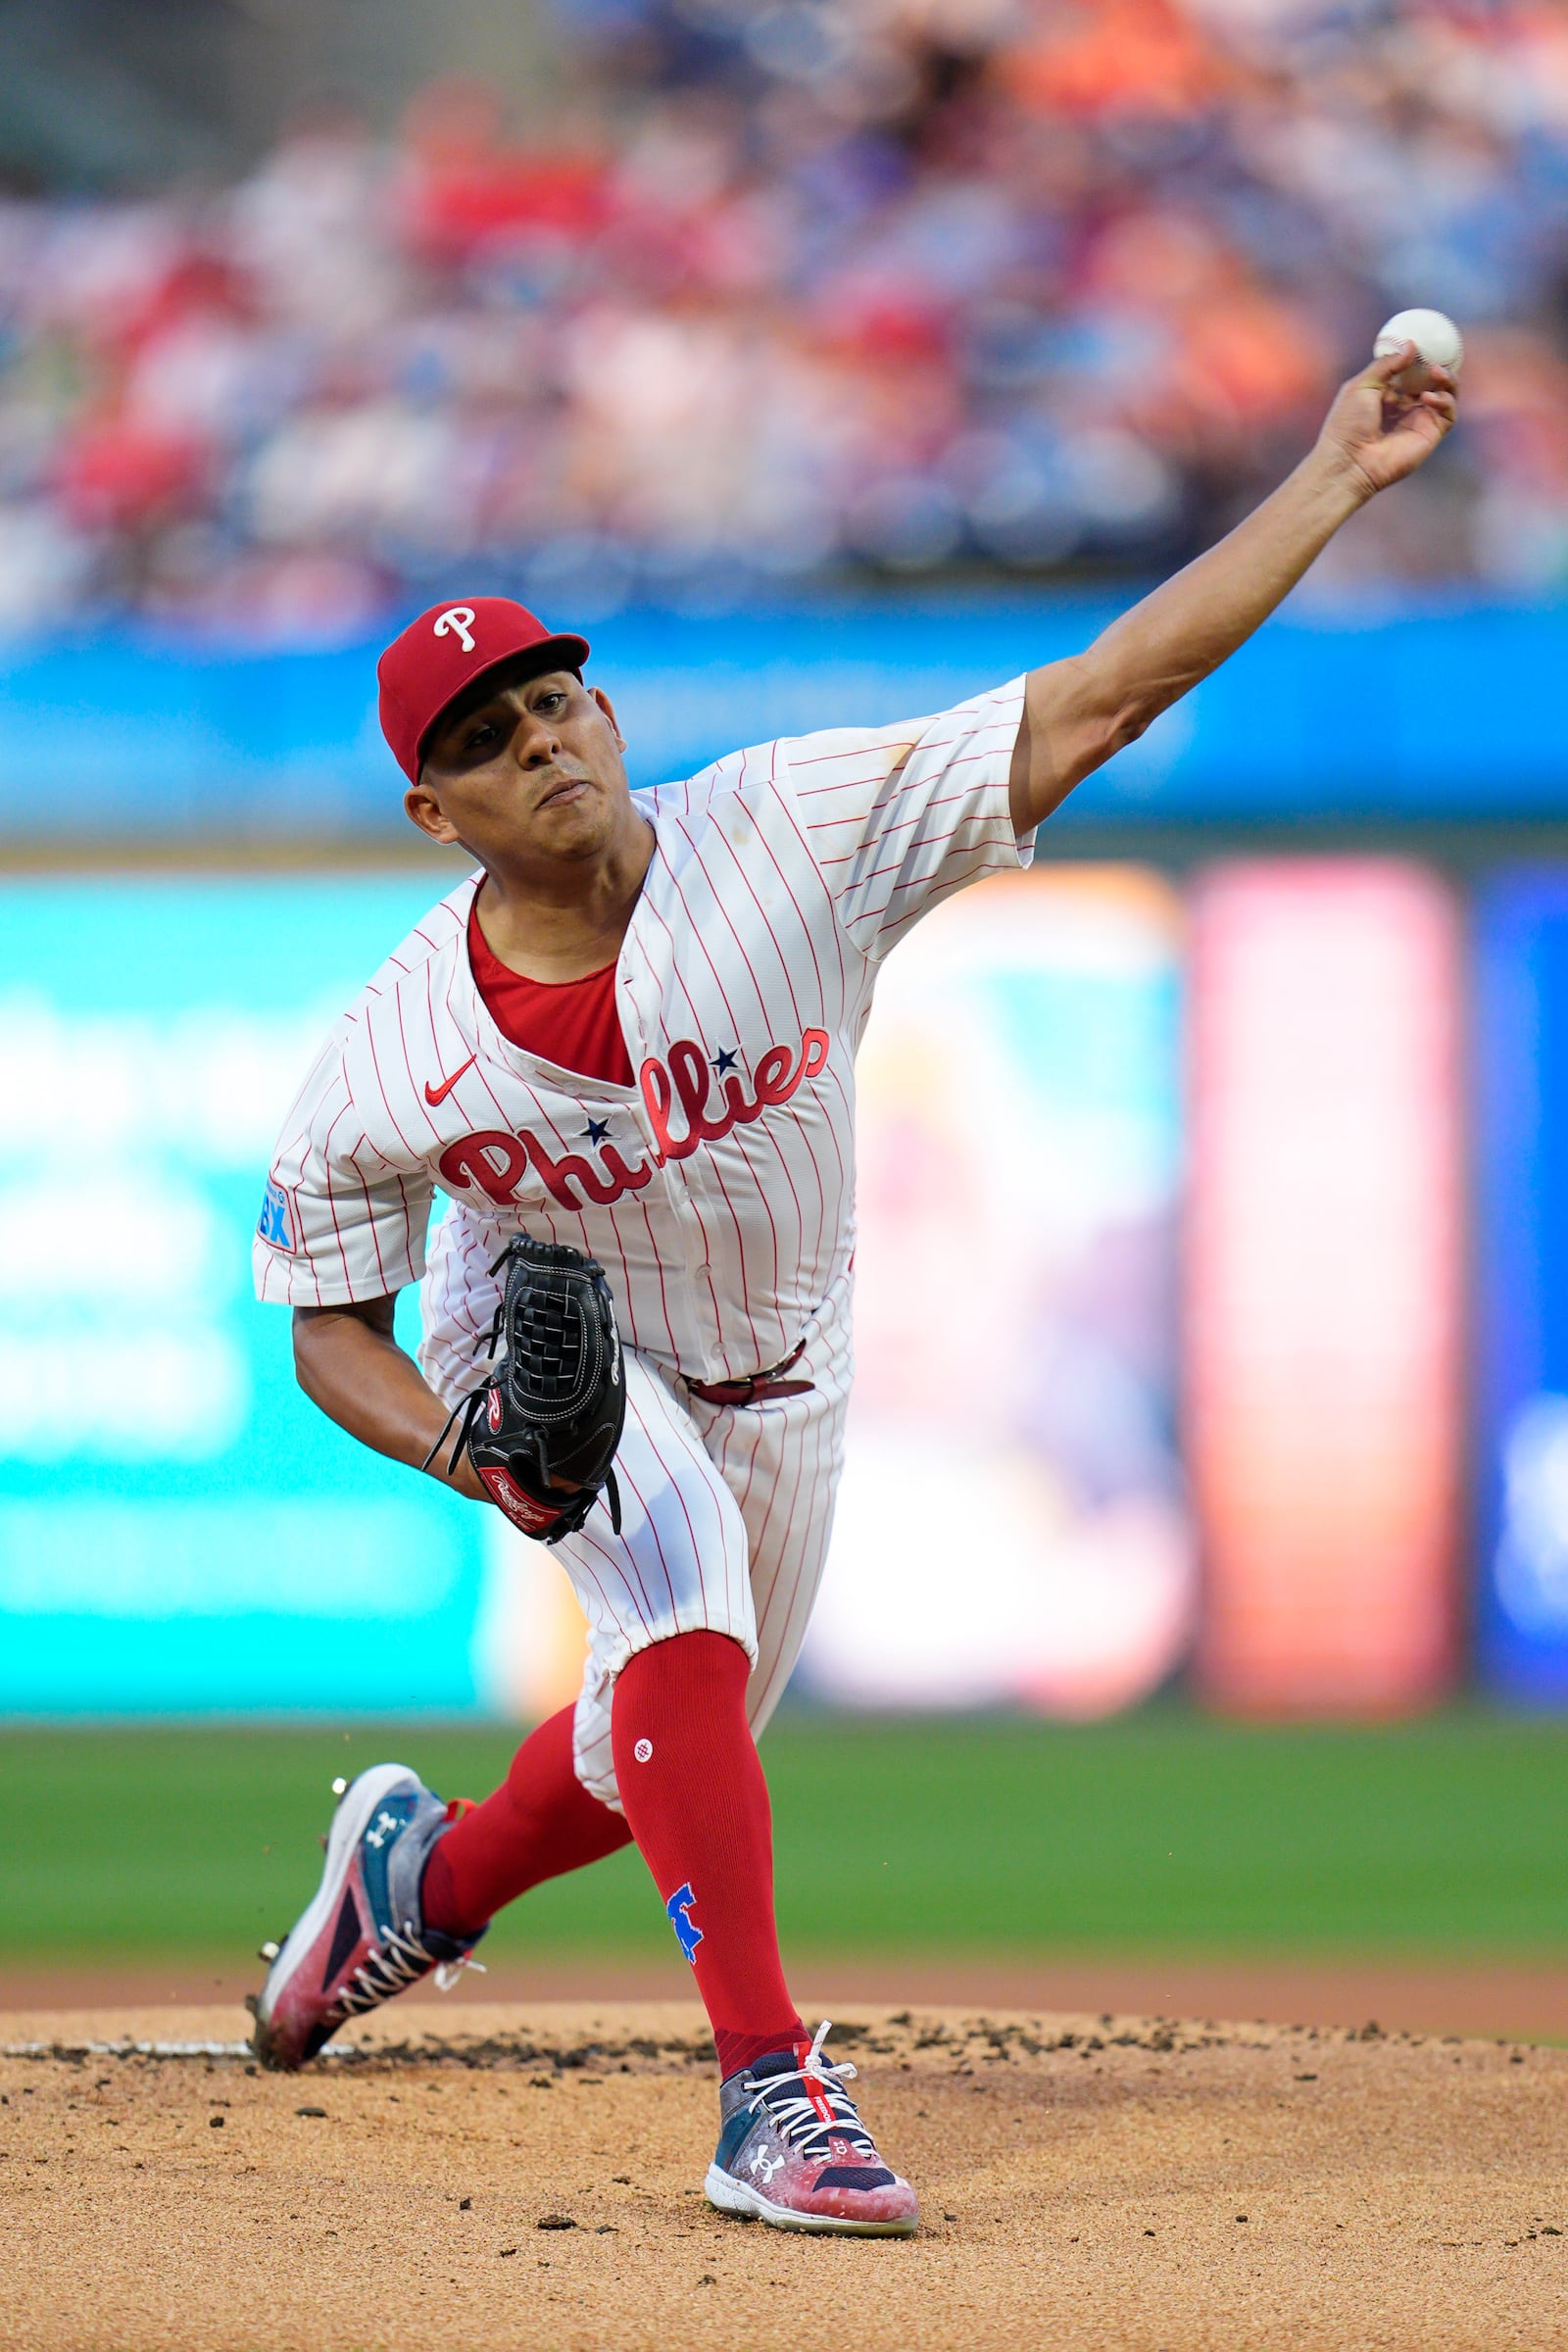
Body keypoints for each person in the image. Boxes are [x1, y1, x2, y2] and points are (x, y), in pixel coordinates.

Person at [249, 344, 1455, 2236]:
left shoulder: (802, 828)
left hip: (787, 1370)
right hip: (555, 1350)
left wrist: (1334, 482)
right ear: (435, 812)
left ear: (607, 709)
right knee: (674, 1608)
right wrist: (466, 1448)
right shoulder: (391, 1059)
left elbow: (1105, 695)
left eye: (555, 697)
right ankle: (770, 2094)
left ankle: (414, 1886)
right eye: (483, 736)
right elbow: (330, 1325)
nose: (541, 739)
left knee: (650, 1747)